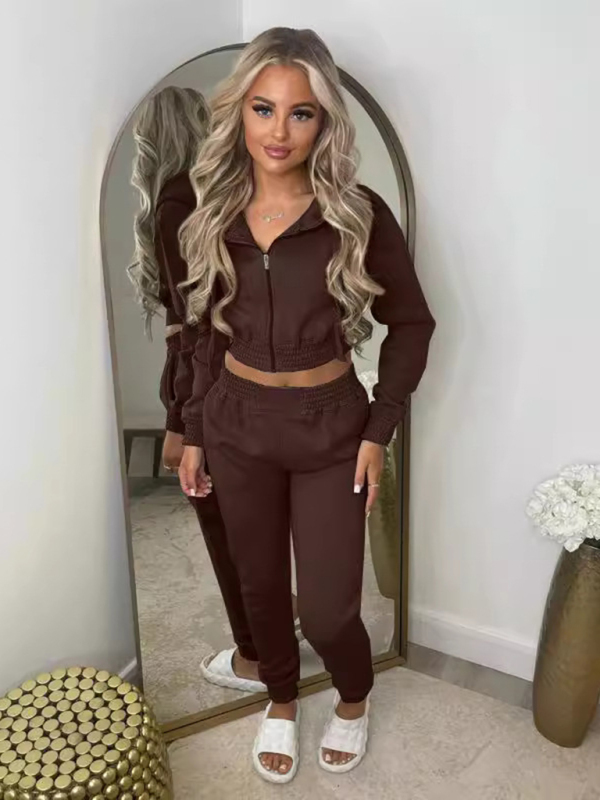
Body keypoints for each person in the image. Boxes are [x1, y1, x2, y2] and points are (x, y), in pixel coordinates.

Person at [177, 27, 436, 782]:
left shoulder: (356, 213)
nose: (279, 131)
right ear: (240, 112)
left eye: (301, 113)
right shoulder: (214, 210)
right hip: (235, 422)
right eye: (263, 108)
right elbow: (202, 334)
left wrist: (379, 428)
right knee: (259, 587)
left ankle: (353, 697)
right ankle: (283, 700)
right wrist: (194, 430)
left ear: (325, 122)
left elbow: (412, 323)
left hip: (330, 428)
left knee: (327, 609)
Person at [128, 86, 268, 693]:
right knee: (254, 514)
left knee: (215, 512)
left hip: (208, 376)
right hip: (258, 373)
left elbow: (196, 325)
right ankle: (280, 618)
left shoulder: (174, 201)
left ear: (152, 138)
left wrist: (182, 422)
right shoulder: (236, 189)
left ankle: (256, 657)